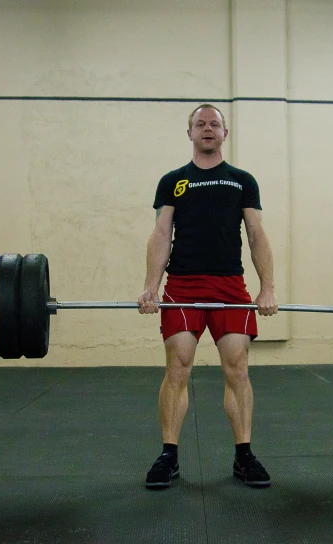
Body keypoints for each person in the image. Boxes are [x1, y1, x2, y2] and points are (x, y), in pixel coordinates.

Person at [137, 103, 278, 489]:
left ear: (225, 133)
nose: (207, 128)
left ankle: (244, 456)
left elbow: (256, 235)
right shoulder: (173, 181)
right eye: (200, 124)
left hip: (230, 286)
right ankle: (169, 455)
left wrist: (267, 287)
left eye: (214, 123)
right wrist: (151, 286)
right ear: (190, 134)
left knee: (238, 369)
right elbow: (161, 235)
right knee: (178, 368)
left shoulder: (242, 180)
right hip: (182, 286)